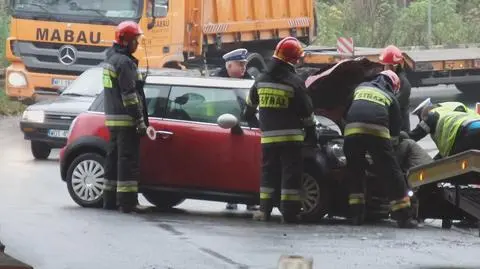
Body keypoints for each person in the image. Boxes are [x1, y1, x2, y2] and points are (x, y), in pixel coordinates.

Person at [243, 36, 316, 223]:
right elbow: (307, 113)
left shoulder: (261, 80)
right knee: (290, 176)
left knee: (268, 173)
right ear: (293, 60)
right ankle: (290, 214)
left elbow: (249, 108)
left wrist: (258, 124)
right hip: (291, 139)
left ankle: (264, 211)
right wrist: (311, 134)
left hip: (268, 139)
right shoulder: (294, 82)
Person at [343, 69, 418, 228]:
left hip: (352, 132)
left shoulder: (360, 87)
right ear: (393, 86)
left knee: (355, 171)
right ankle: (403, 216)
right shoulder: (391, 98)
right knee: (392, 173)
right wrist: (389, 151)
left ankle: (357, 215)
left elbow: (346, 110)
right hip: (377, 133)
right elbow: (395, 132)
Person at [102, 21, 150, 214]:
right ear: (126, 41)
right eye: (135, 40)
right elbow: (129, 96)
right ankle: (128, 202)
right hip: (126, 120)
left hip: (113, 119)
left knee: (113, 160)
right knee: (127, 161)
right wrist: (139, 120)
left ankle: (109, 200)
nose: (137, 44)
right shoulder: (125, 63)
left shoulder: (111, 59)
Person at [210, 48, 257, 211]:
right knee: (228, 163)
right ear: (229, 66)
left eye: (245, 64)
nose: (244, 68)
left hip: (244, 127)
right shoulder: (217, 81)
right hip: (221, 127)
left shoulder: (249, 80)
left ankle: (250, 200)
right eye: (240, 64)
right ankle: (231, 198)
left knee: (247, 164)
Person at [408, 98, 480, 159]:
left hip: (465, 133)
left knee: (454, 167)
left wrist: (400, 137)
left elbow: (415, 135)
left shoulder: (432, 115)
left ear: (424, 115)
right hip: (475, 126)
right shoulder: (451, 107)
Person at [379, 45, 412, 132]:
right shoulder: (386, 79)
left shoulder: (403, 83)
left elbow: (394, 105)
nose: (383, 68)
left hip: (400, 129)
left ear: (392, 66)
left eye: (385, 65)